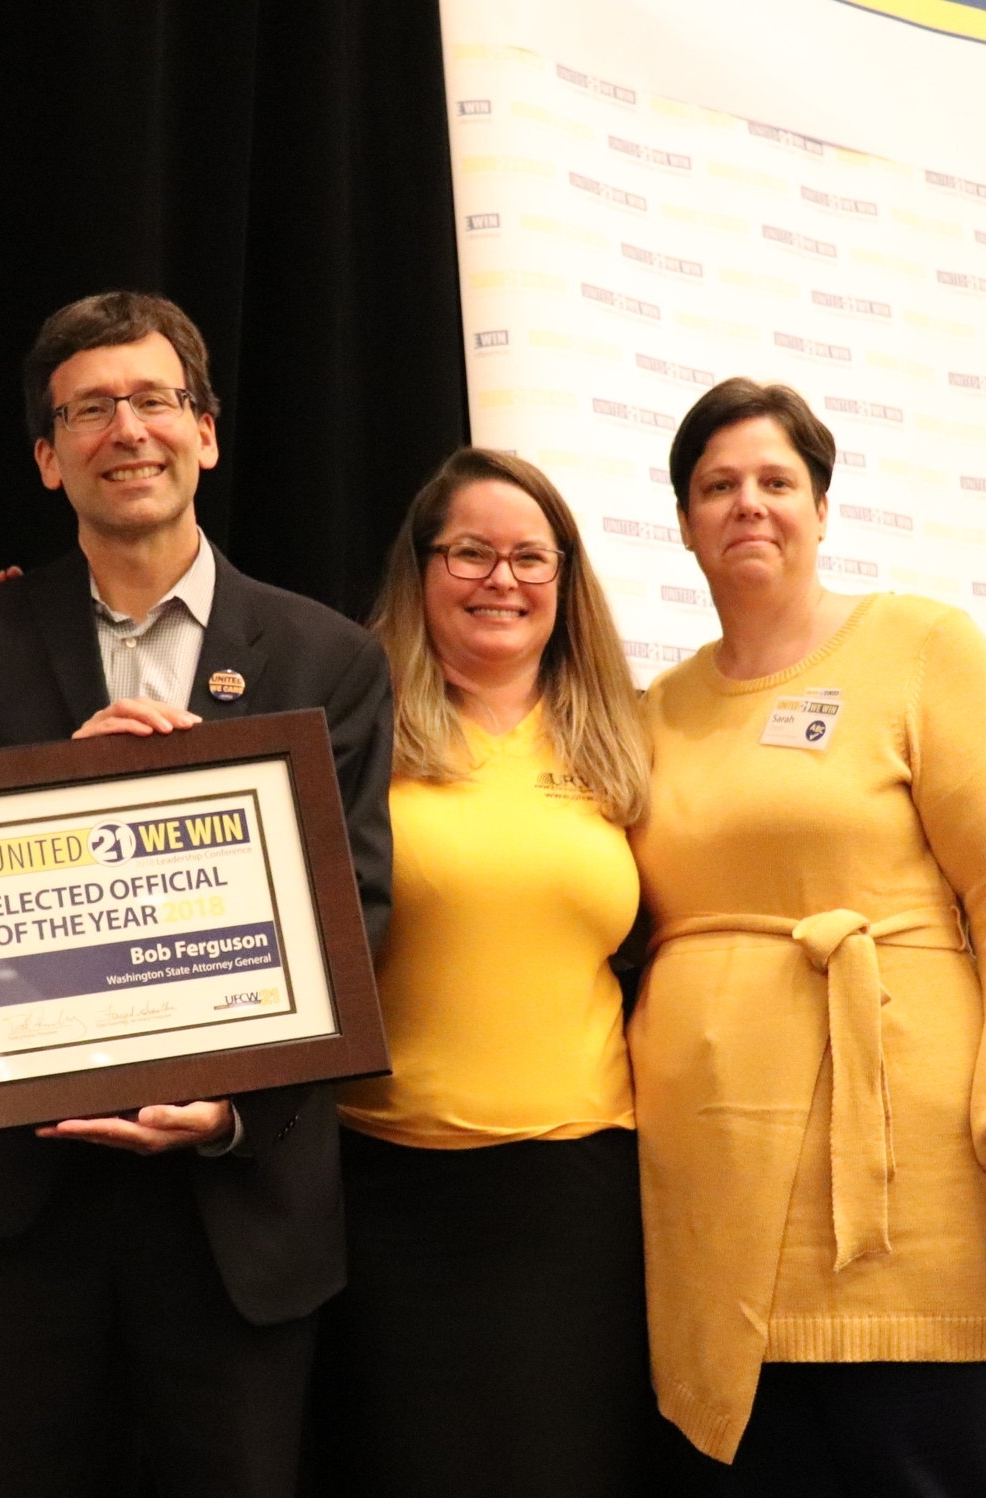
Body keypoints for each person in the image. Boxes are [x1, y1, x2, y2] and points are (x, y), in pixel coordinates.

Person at [0, 290, 394, 1498]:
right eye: (89, 410)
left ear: (206, 431)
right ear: (47, 455)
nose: (126, 429)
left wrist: (228, 1098)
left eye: (153, 400)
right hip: (22, 1209)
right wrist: (52, 807)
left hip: (236, 1206)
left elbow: (361, 915)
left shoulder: (329, 658)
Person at [630, 378, 986, 1494]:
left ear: (821, 506)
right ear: (684, 523)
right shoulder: (654, 710)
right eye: (718, 486)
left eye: (775, 481)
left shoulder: (919, 646)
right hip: (724, 1196)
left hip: (915, 1186)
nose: (748, 504)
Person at [317, 448, 655, 1496]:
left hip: (578, 1193)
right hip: (388, 1186)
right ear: (422, 570)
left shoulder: (627, 739)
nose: (500, 580)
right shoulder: (354, 721)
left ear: (566, 578)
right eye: (470, 553)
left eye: (528, 557)